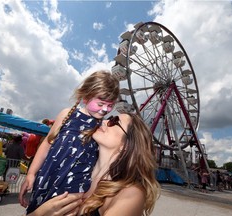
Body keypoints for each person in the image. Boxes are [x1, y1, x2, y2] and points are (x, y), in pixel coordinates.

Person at [19, 70, 120, 215]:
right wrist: (31, 173)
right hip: (47, 178)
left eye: (110, 105)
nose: (105, 109)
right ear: (85, 98)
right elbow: (47, 144)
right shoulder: (67, 114)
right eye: (101, 103)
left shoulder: (104, 128)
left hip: (73, 189)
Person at [26, 113, 160, 216]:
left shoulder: (131, 194)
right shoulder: (77, 172)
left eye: (114, 121)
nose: (105, 121)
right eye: (109, 118)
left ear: (126, 145)